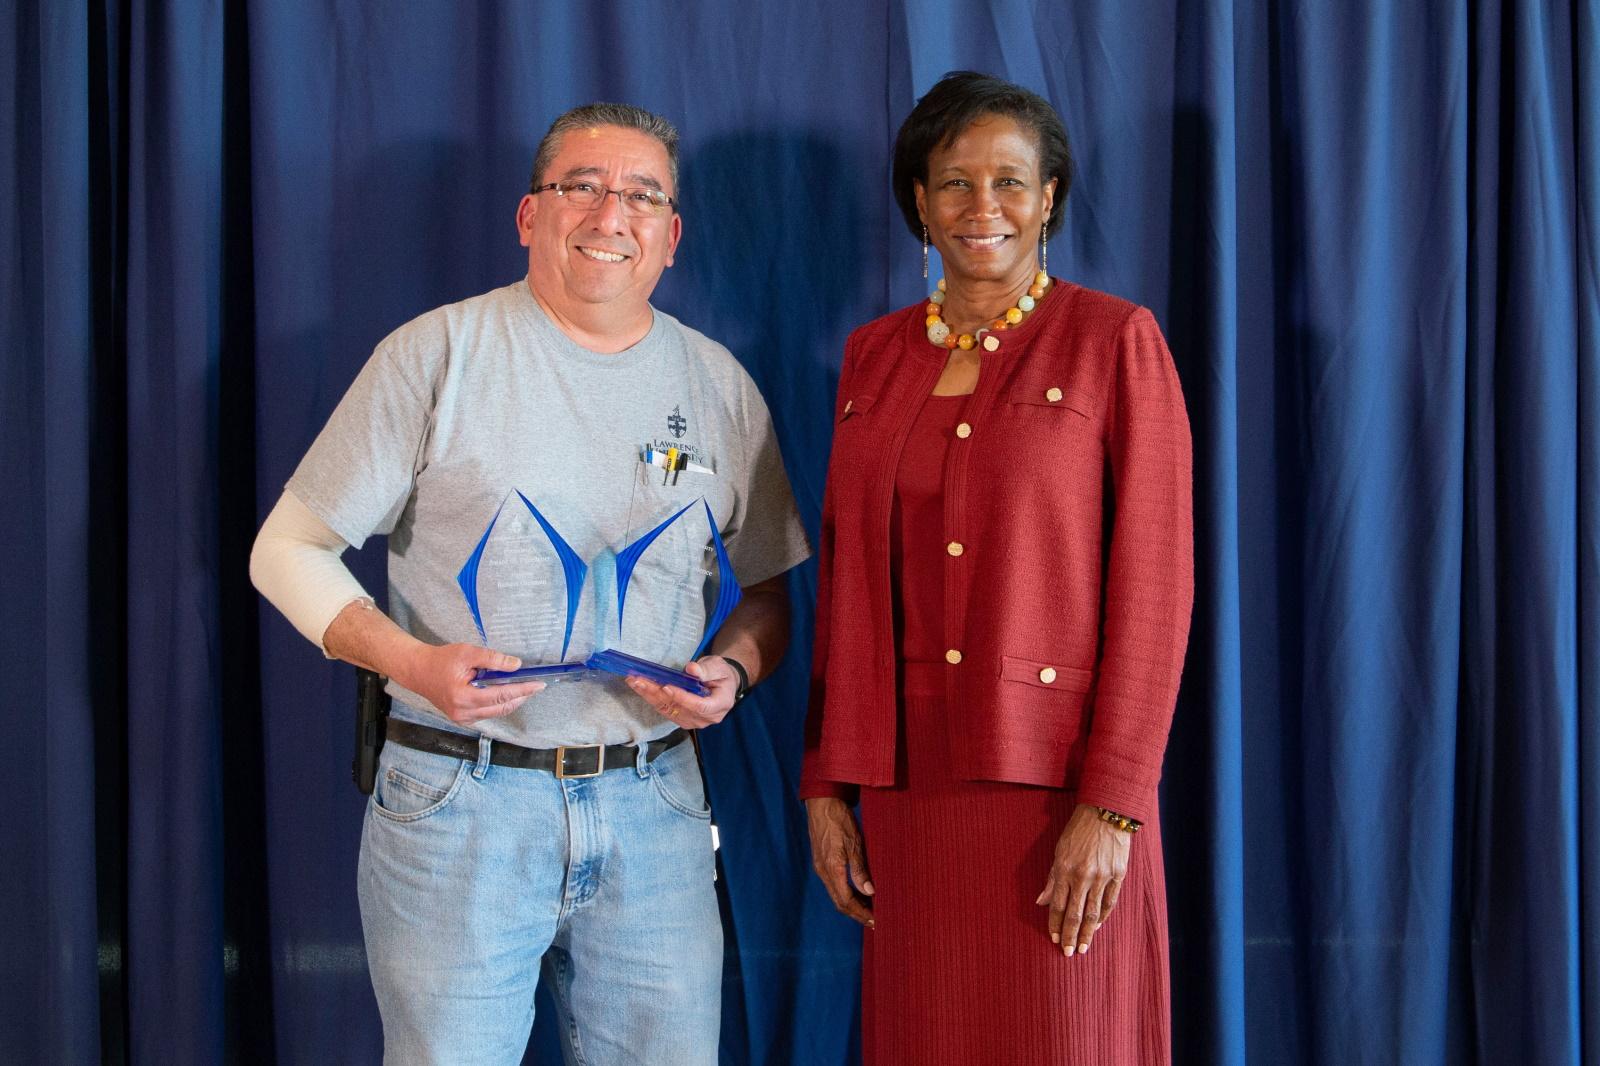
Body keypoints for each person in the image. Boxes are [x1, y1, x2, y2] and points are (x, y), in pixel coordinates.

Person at [250, 102, 811, 1066]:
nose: (610, 214)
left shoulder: (720, 386)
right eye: (581, 187)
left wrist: (733, 673)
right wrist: (415, 663)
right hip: (457, 799)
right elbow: (285, 551)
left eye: (641, 195)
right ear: (528, 215)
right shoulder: (435, 357)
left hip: (655, 804)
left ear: (671, 236)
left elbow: (766, 597)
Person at [800, 72, 1194, 1065]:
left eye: (1009, 181)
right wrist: (824, 781)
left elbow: (1155, 590)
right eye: (954, 183)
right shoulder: (873, 357)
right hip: (905, 792)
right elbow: (846, 578)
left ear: (1050, 194)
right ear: (920, 204)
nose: (983, 209)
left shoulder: (1116, 342)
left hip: (1061, 796)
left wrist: (1112, 804)